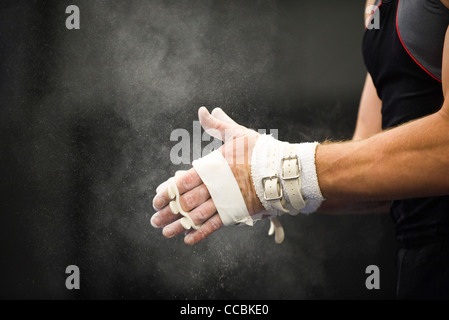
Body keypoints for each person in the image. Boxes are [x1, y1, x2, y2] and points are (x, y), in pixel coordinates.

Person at [151, 0, 449, 299]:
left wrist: (276, 169)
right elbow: (377, 176)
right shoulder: (375, 8)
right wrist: (267, 188)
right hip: (417, 260)